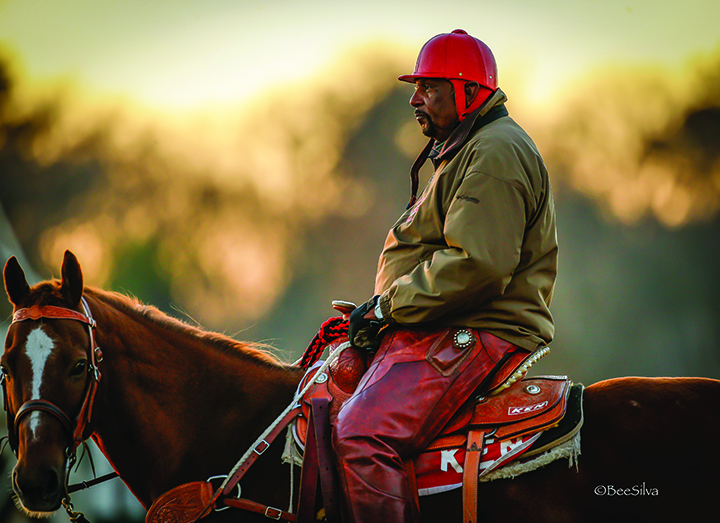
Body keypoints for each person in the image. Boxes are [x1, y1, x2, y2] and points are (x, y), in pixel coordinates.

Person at [331, 29, 558, 522]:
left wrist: (388, 307)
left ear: (469, 93)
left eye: (429, 88)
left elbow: (478, 265)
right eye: (417, 87)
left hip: (481, 330)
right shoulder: (468, 146)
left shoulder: (494, 150)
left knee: (361, 435)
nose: (415, 99)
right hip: (449, 320)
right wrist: (379, 312)